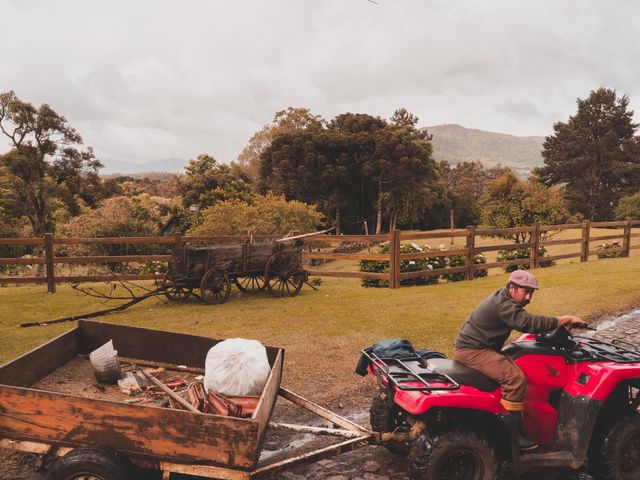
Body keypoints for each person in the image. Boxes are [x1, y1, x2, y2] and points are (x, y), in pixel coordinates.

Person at [454, 270, 583, 450]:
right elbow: (525, 323)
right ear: (512, 287)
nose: (529, 297)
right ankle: (512, 436)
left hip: (478, 348)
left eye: (532, 293)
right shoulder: (503, 304)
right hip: (474, 351)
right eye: (525, 291)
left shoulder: (505, 299)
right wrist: (562, 320)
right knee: (514, 379)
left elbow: (524, 321)